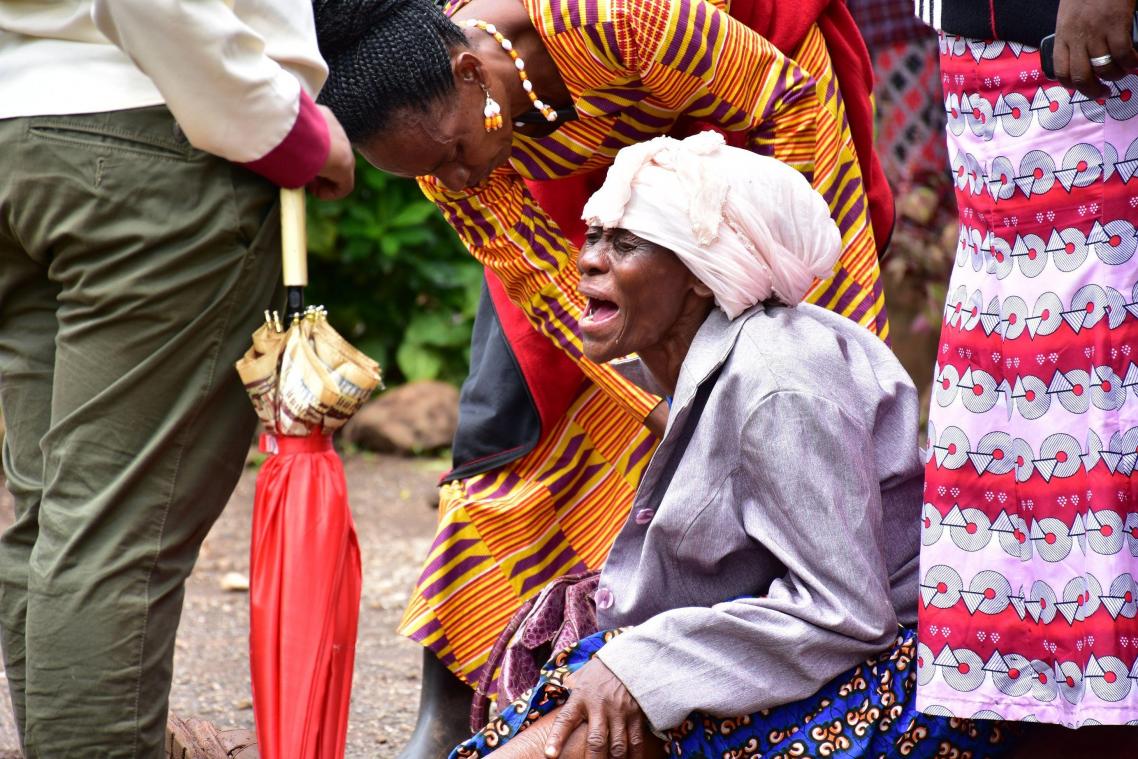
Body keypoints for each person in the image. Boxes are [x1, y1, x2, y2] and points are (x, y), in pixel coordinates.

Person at [313, 0, 893, 754]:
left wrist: (760, 292)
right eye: (433, 171)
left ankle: (840, 648)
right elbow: (548, 285)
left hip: (769, 134)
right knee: (541, 419)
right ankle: (663, 666)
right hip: (597, 194)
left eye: (456, 149)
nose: (458, 175)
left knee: (797, 379)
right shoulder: (455, 156)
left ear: (468, 69)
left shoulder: (612, 18)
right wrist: (657, 397)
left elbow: (787, 100)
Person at [444, 131, 1008, 759]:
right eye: (595, 236)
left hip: (900, 668)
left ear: (699, 276)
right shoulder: (697, 365)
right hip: (800, 648)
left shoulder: (779, 382)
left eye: (625, 244)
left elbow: (847, 612)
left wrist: (647, 667)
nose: (589, 260)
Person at [0, 1, 354, 754]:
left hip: (17, 142)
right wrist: (281, 123)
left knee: (53, 517)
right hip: (148, 137)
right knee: (107, 532)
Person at [914, 0, 1138, 745]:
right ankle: (1066, 695)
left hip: (1086, 52)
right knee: (1020, 383)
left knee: (1101, 355)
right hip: (988, 68)